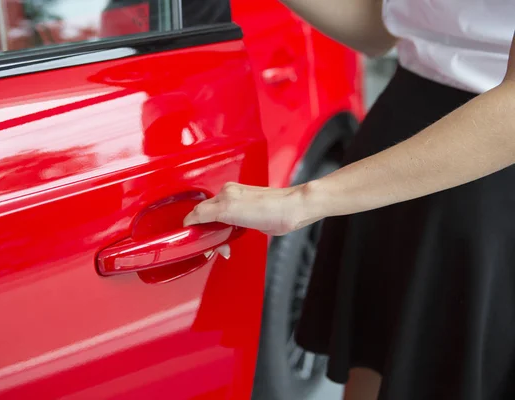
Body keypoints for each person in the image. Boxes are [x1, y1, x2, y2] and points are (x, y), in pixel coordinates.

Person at [184, 1, 515, 399]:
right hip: (397, 135)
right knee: (370, 372)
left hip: (482, 167)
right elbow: (382, 26)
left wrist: (304, 200)